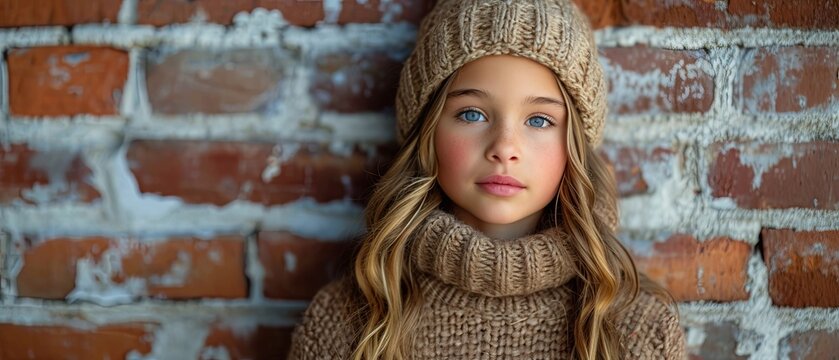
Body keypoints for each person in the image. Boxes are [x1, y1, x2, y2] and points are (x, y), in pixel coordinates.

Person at [288, 0, 687, 358]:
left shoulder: (637, 330)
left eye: (539, 120)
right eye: (472, 114)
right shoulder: (349, 322)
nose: (504, 147)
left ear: (575, 148)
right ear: (427, 132)